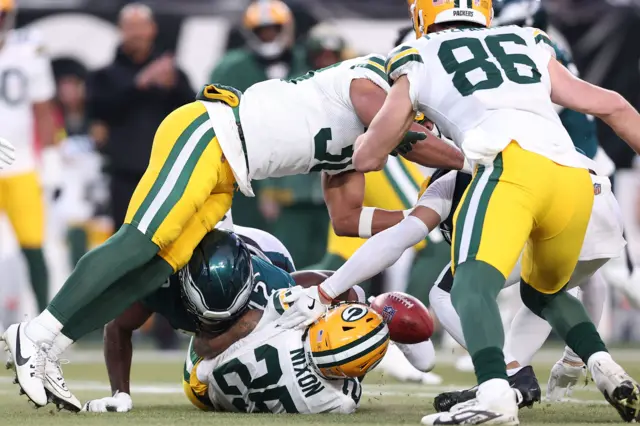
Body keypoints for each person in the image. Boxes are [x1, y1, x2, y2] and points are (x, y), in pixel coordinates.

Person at [2, 47, 463, 411]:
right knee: (139, 241)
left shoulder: (362, 136)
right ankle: (36, 333)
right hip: (209, 132)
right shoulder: (369, 78)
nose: (426, 119)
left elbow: (348, 220)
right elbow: (395, 136)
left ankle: (50, 348)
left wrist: (420, 218)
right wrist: (470, 158)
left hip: (229, 174)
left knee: (151, 273)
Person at [279, 0, 640, 423]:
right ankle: (597, 363)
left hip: (508, 168)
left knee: (466, 287)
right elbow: (613, 105)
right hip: (578, 175)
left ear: (421, 16)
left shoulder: (418, 56)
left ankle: (494, 394)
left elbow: (372, 153)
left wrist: (361, 147)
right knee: (546, 291)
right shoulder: (527, 40)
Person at [86, 3, 194, 231]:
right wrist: (140, 84)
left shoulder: (173, 74)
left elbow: (191, 111)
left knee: (170, 238)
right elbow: (96, 112)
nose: (136, 33)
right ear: (120, 29)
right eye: (130, 27)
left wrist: (173, 87)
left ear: (152, 29)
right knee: (125, 240)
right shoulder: (104, 76)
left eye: (141, 26)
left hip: (166, 175)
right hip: (123, 175)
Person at [209, 0, 309, 233]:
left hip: (300, 167)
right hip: (246, 164)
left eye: (273, 29)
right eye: (262, 31)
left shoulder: (307, 61)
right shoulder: (229, 68)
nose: (268, 36)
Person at [0, 0, 57, 314]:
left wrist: (50, 160)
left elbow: (43, 110)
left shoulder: (28, 50)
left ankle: (46, 326)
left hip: (20, 165)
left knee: (33, 247)